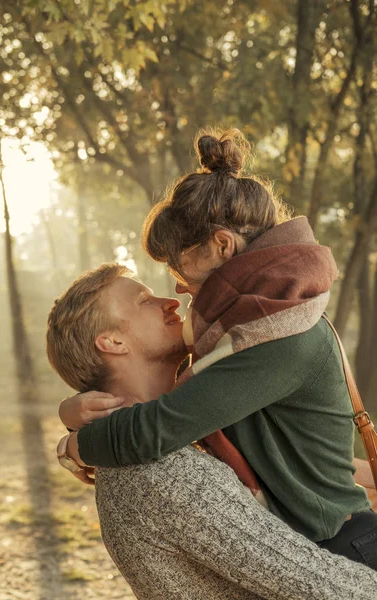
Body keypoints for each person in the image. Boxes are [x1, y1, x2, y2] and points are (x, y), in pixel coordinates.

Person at [59, 128, 377, 568]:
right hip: (327, 545)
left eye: (178, 262)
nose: (175, 284)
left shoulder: (277, 333)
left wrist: (73, 447)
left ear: (221, 245)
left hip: (345, 553)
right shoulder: (255, 317)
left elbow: (159, 426)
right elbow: (148, 368)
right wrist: (74, 410)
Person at [47, 263, 377, 599]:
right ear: (113, 341)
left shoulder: (172, 439)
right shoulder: (163, 472)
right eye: (143, 301)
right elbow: (325, 585)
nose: (171, 301)